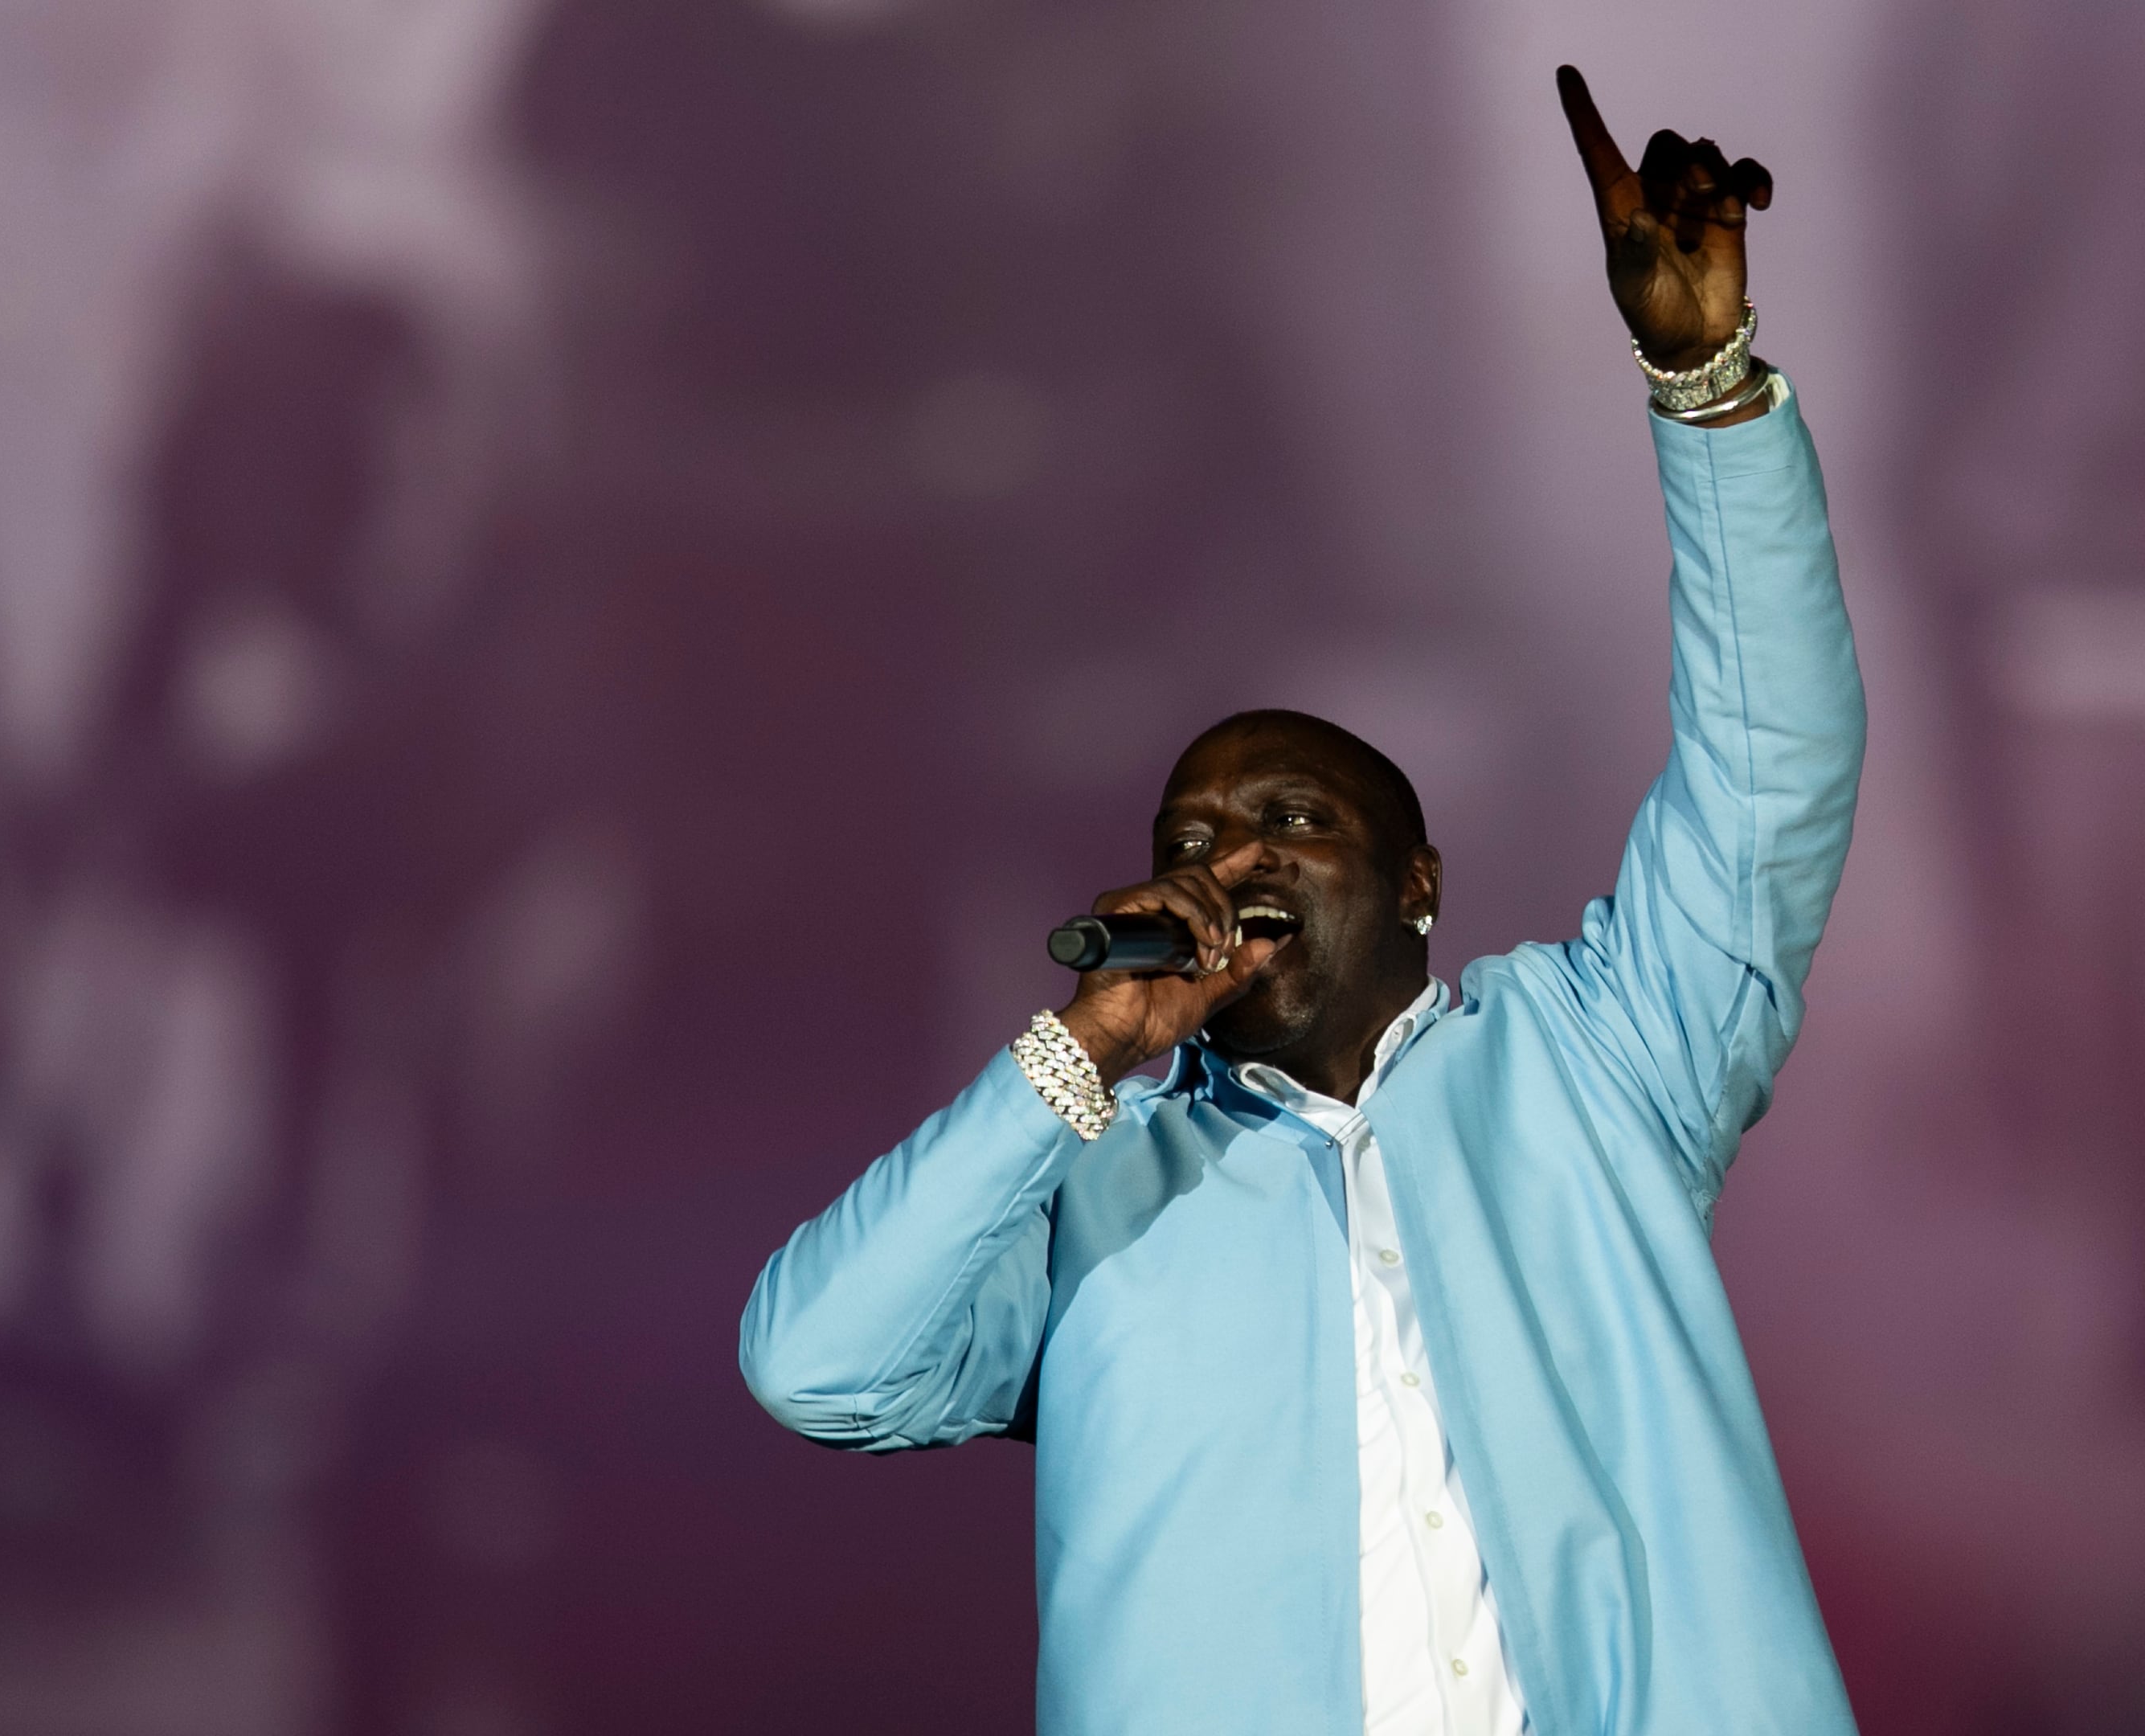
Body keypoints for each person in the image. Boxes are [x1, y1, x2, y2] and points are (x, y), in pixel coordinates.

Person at [740, 66, 1866, 1736]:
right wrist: (1071, 1064)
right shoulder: (1100, 1184)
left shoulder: (1593, 1064)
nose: (1234, 856)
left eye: (1292, 820)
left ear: (1417, 884)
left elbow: (1768, 782)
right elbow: (816, 1365)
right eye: (1195, 834)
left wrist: (1706, 391)